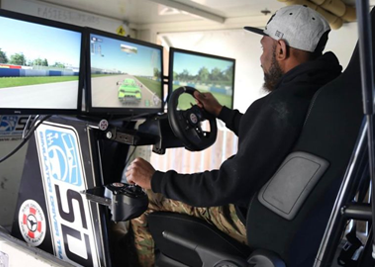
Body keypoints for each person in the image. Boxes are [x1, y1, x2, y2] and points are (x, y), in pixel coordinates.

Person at [125, 5, 342, 267]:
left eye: (264, 48)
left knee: (145, 197)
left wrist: (156, 179)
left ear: (281, 49)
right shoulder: (321, 94)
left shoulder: (280, 104)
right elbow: (274, 137)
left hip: (252, 220)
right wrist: (221, 112)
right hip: (297, 221)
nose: (261, 58)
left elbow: (225, 186)